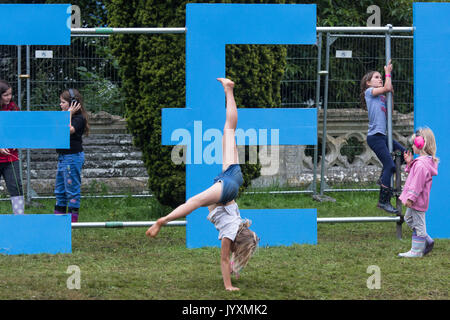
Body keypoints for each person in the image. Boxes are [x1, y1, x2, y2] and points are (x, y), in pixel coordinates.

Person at [146, 78, 259, 291]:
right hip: (227, 189)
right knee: (195, 201)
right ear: (237, 240)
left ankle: (229, 90)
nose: (233, 250)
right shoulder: (229, 235)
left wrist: (236, 262)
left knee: (229, 129)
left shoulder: (239, 228)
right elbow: (224, 260)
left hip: (233, 182)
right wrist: (228, 286)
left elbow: (234, 253)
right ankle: (164, 219)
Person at [360, 60, 407, 214]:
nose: (380, 79)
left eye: (381, 77)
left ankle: (383, 179)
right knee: (390, 166)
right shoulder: (369, 93)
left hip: (384, 136)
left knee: (403, 153)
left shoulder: (381, 96)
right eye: (376, 77)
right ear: (368, 83)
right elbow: (386, 86)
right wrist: (387, 73)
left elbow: (390, 109)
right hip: (375, 137)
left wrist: (390, 93)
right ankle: (383, 201)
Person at [398, 127, 438, 258]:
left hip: (417, 201)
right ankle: (427, 240)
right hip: (417, 201)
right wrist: (409, 163)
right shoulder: (421, 163)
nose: (412, 146)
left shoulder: (421, 165)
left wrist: (411, 198)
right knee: (409, 219)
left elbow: (417, 184)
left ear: (421, 144)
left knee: (419, 227)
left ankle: (416, 251)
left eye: (414, 143)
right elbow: (415, 176)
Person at [54, 88, 89, 222]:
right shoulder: (63, 116)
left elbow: (66, 130)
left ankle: (72, 222)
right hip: (63, 158)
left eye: (63, 102)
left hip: (72, 158)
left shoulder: (79, 119)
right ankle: (59, 221)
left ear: (73, 104)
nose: (60, 105)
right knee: (60, 190)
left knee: (72, 189)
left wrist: (68, 113)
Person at [0, 80, 25, 215]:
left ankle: (19, 217)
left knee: (15, 186)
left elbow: (19, 128)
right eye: (5, 95)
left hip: (11, 158)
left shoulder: (13, 108)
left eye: (10, 94)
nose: (9, 98)